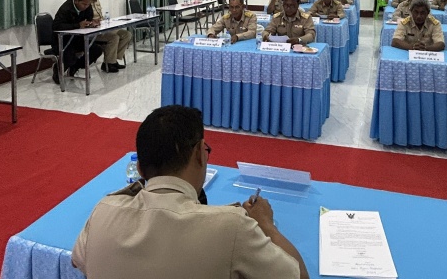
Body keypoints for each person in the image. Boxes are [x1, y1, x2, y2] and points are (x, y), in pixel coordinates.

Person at [71, 105, 308, 279]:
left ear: (140, 169)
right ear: (199, 154)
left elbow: (77, 259)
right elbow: (298, 276)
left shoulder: (103, 211)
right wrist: (266, 224)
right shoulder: (232, 227)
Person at [52, 0, 104, 84]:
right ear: (76, 1)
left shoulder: (87, 6)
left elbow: (88, 19)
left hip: (78, 38)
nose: (86, 7)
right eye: (84, 4)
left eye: (88, 4)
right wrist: (77, 25)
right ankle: (57, 70)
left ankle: (76, 66)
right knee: (70, 56)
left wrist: (91, 23)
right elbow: (56, 26)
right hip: (63, 40)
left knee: (96, 50)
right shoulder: (66, 9)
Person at [83, 0, 132, 73]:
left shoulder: (97, 2)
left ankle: (112, 61)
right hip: (93, 32)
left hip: (102, 28)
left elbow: (101, 17)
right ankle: (109, 63)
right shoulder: (85, 4)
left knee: (126, 34)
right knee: (114, 37)